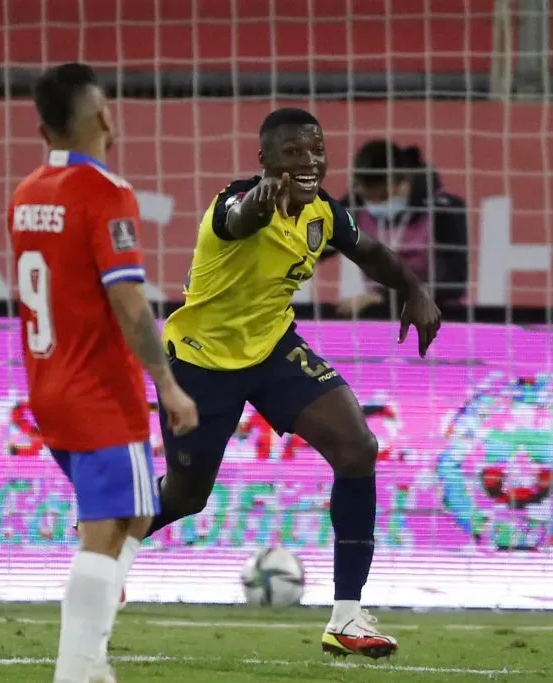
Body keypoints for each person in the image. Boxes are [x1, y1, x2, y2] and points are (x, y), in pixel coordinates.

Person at [148, 108, 441, 659]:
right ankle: (103, 538)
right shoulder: (234, 205)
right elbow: (242, 216)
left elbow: (371, 253)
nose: (307, 162)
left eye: (315, 150)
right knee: (187, 496)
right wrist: (262, 198)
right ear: (266, 161)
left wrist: (414, 288)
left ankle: (347, 616)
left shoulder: (324, 212)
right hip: (201, 360)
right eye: (292, 153)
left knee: (357, 447)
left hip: (273, 348)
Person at [10, 63, 198, 683]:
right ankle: (77, 668)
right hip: (97, 389)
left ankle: (92, 655)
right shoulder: (106, 191)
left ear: (43, 128)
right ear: (102, 117)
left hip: (46, 385)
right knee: (105, 529)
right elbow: (128, 300)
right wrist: (167, 383)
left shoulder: (26, 193)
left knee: (135, 513)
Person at [333, 139, 468, 316]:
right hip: (379, 315)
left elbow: (453, 285)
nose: (374, 205)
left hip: (438, 314)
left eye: (383, 196)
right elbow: (311, 249)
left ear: (404, 182)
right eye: (368, 198)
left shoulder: (444, 209)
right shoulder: (354, 205)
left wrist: (384, 298)